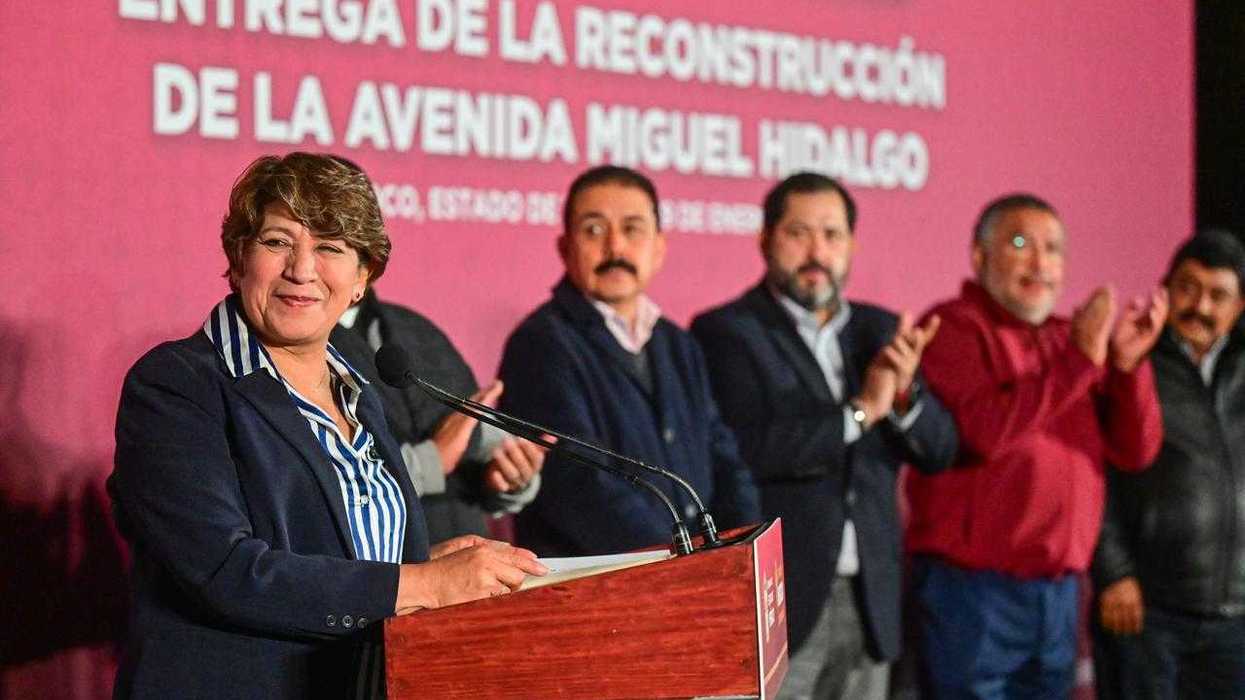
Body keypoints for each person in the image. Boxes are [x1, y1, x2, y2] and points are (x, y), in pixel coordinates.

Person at [108, 153, 546, 699]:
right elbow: (226, 570)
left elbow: (332, 550)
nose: (302, 269)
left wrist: (417, 564)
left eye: (331, 248)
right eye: (277, 242)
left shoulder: (358, 370)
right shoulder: (176, 386)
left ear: (362, 279)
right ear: (238, 256)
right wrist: (422, 584)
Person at [691, 172, 959, 700]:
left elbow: (941, 450)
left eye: (832, 235)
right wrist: (860, 413)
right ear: (765, 241)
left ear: (852, 246)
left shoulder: (881, 331)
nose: (818, 252)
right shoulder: (725, 332)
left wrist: (902, 397)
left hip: (870, 597)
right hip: (779, 596)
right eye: (800, 234)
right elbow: (749, 450)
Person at [905, 193, 1166, 698]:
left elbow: (1135, 451)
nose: (1040, 262)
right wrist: (1080, 362)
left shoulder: (1071, 339)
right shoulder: (953, 326)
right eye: (1021, 243)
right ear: (980, 257)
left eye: (1053, 248)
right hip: (974, 593)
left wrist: (1128, 367)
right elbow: (982, 432)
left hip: (1060, 595)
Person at [496, 165, 761, 556]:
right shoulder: (540, 344)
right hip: (604, 588)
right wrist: (679, 559)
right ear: (565, 248)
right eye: (594, 230)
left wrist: (744, 544)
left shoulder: (678, 343)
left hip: (697, 579)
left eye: (632, 229)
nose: (616, 248)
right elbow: (579, 487)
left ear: (659, 248)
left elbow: (722, 458)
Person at [1092, 230, 1245, 699]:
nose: (1200, 306)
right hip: (1146, 611)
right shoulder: (1129, 364)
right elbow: (1094, 472)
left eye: (1218, 295)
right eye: (1187, 288)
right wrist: (1114, 572)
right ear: (1164, 289)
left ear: (1239, 308)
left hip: (1235, 619)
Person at [331, 288, 546, 544]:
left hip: (471, 555)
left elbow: (479, 434)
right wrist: (431, 460)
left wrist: (512, 471)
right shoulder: (299, 345)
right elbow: (323, 489)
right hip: (385, 569)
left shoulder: (416, 328)